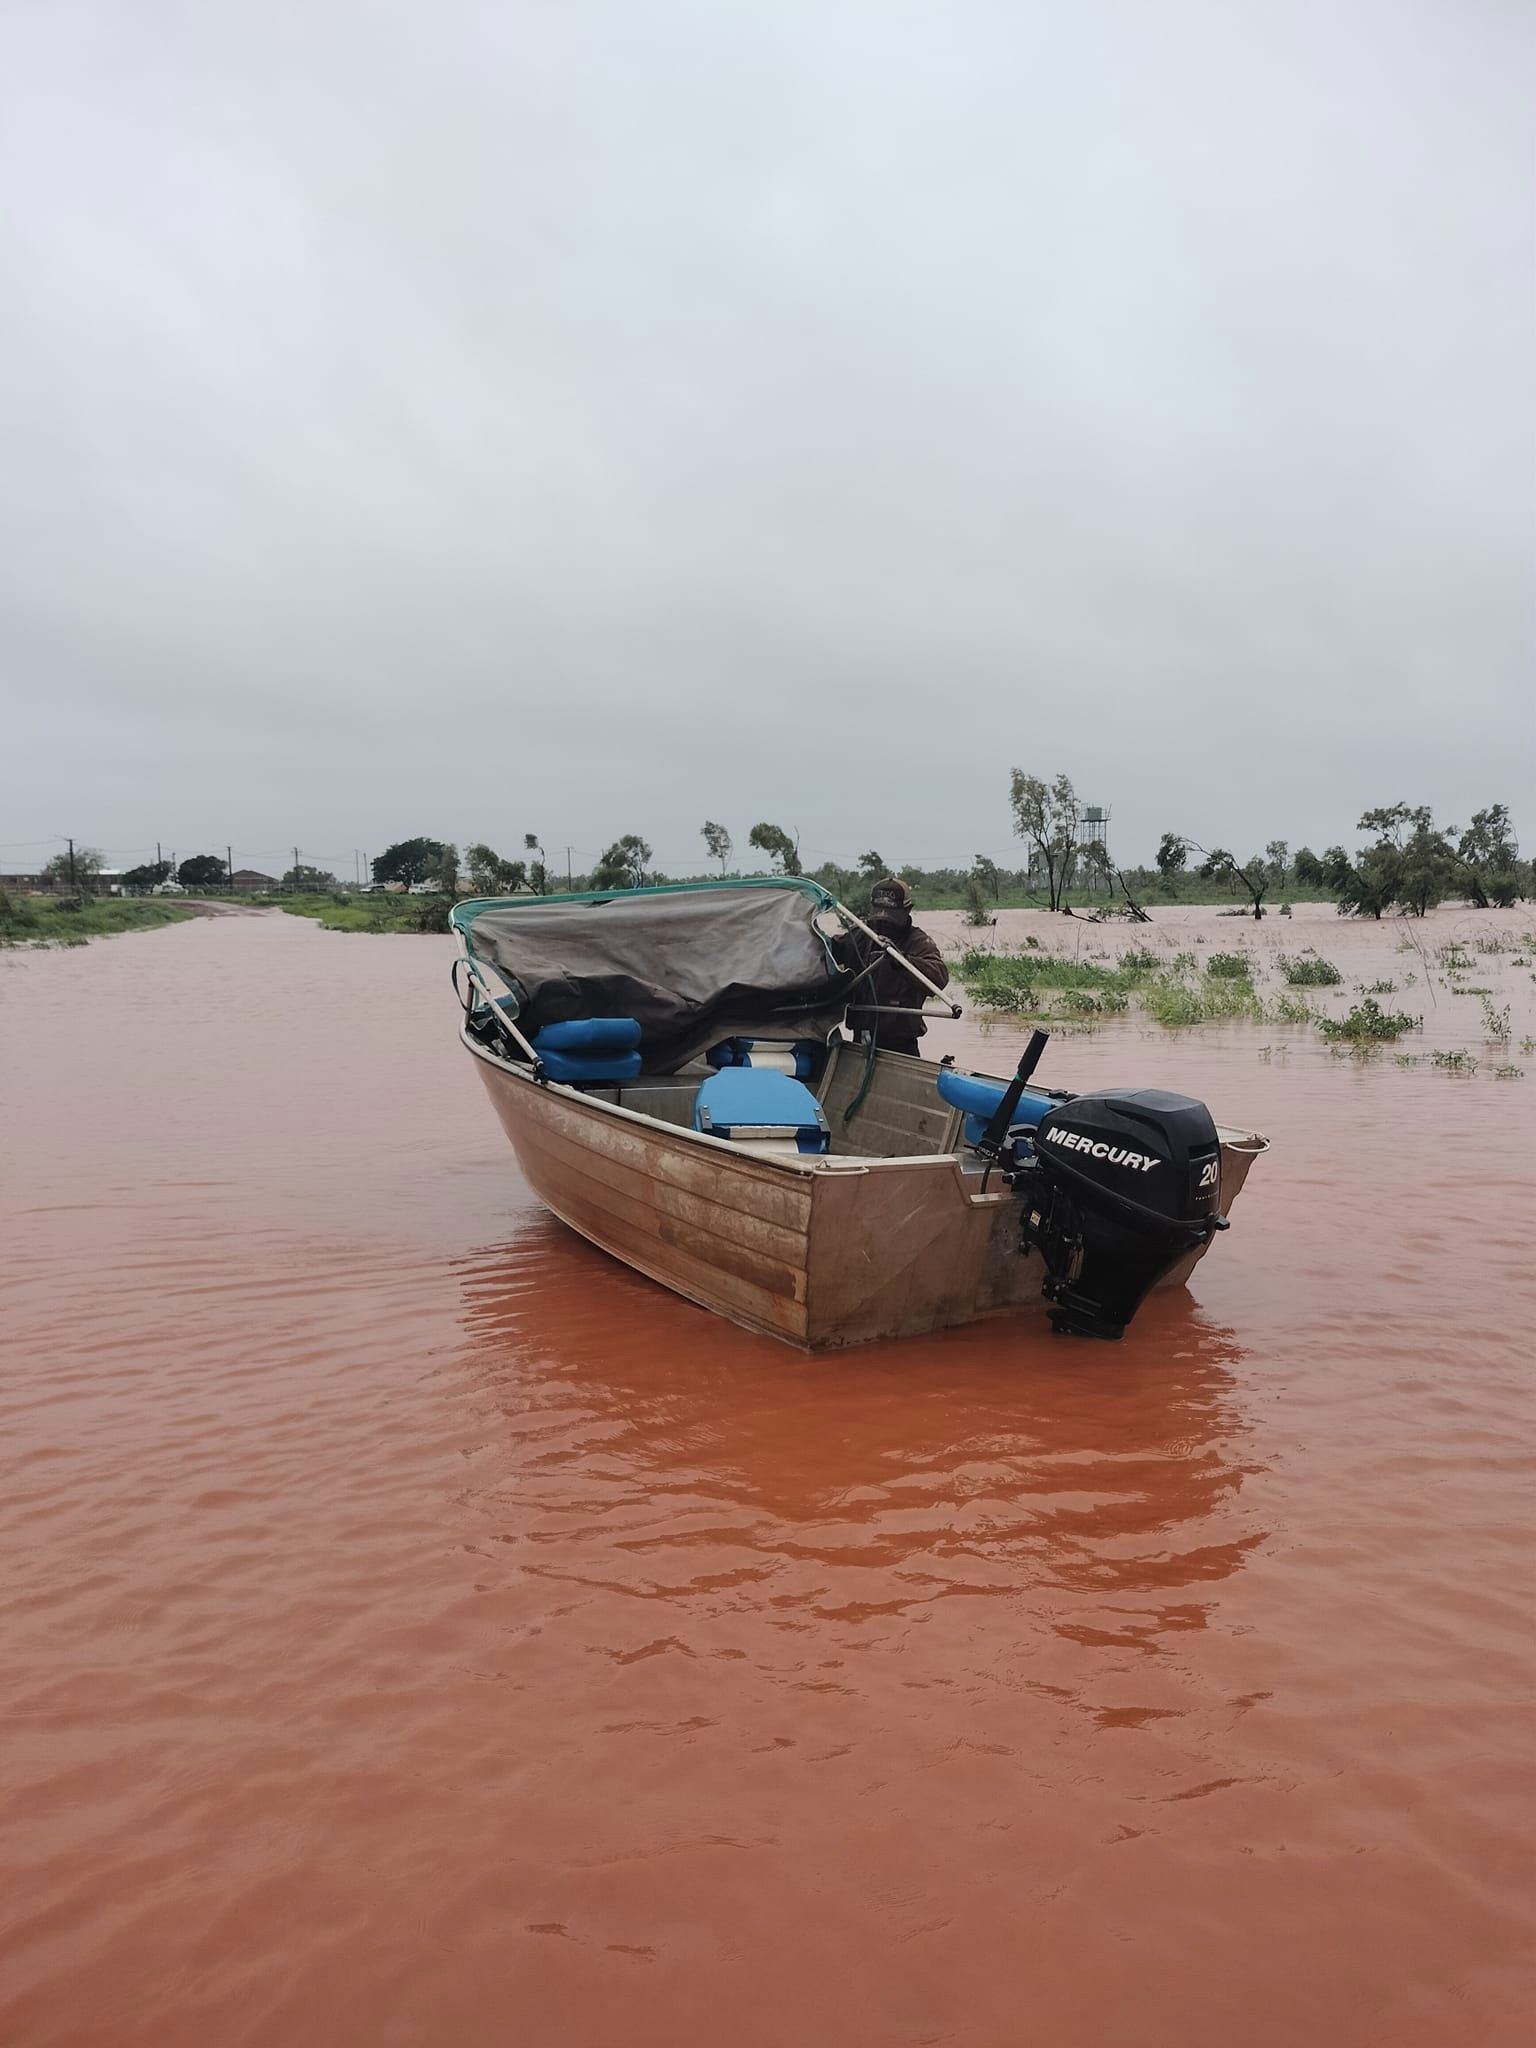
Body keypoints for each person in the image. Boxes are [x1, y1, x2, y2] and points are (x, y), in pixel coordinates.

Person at [839, 876, 950, 1057]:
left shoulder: (918, 941)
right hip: (859, 1041)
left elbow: (939, 977)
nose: (883, 919)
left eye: (891, 914)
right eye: (879, 911)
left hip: (901, 1045)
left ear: (907, 910)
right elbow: (827, 951)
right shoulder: (859, 935)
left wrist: (899, 959)